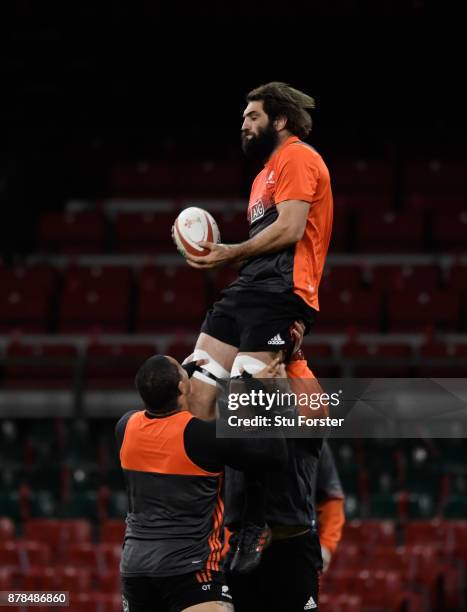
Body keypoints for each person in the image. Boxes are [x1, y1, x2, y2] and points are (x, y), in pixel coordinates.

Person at [183, 81, 334, 423]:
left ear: (279, 121)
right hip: (247, 290)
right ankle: (210, 478)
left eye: (253, 116)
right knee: (197, 391)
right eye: (243, 118)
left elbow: (291, 228)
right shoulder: (261, 176)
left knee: (247, 400)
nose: (243, 125)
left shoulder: (297, 156)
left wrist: (229, 253)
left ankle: (290, 461)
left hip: (282, 292)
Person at [116, 353, 288, 612]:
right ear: (182, 387)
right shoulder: (202, 437)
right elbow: (275, 454)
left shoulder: (125, 427)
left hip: (136, 570)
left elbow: (157, 401)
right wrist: (263, 397)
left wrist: (174, 376)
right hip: (191, 572)